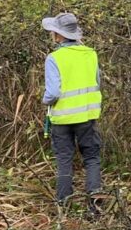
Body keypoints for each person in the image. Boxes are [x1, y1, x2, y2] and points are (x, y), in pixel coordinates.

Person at [41, 12, 103, 217]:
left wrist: (45, 101)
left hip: (62, 119)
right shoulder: (91, 54)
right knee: (92, 158)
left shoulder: (54, 58)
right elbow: (97, 83)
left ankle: (63, 207)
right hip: (87, 116)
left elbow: (53, 93)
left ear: (58, 36)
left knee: (64, 160)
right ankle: (95, 205)